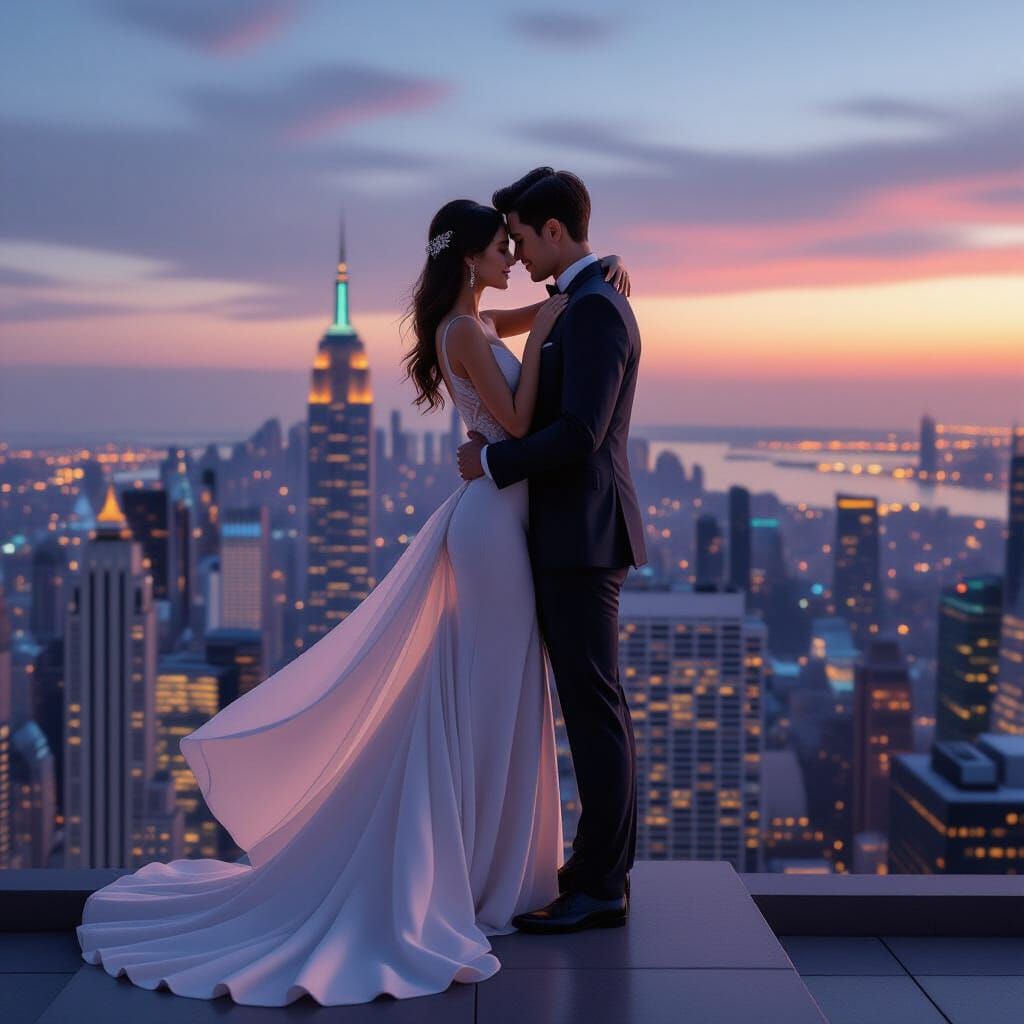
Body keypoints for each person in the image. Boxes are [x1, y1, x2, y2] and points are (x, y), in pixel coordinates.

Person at [74, 195, 632, 1007]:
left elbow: (532, 312)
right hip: (492, 525)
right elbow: (513, 420)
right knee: (491, 692)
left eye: (518, 244)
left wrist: (586, 285)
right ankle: (477, 873)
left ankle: (487, 867)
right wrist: (549, 330)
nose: (511, 257)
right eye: (499, 248)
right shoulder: (465, 330)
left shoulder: (469, 319)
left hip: (501, 521)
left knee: (503, 691)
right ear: (470, 257)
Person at [457, 167, 647, 933]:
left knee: (593, 709)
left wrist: (494, 462)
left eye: (524, 238)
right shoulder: (586, 298)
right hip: (571, 532)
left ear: (556, 232)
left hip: (583, 536)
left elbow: (582, 433)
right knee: (594, 705)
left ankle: (601, 884)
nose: (520, 254)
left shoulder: (596, 311)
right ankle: (600, 870)